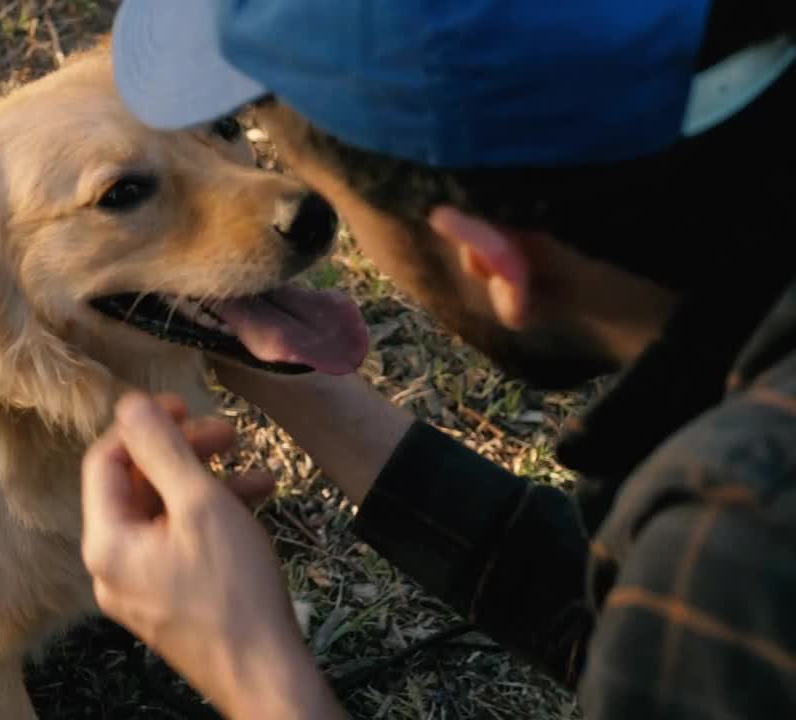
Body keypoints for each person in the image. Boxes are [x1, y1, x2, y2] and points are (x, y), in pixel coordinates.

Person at [79, 1, 796, 718]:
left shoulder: (741, 545)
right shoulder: (726, 582)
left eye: (343, 212)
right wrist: (302, 376)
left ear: (493, 264)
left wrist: (256, 672)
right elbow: (648, 636)